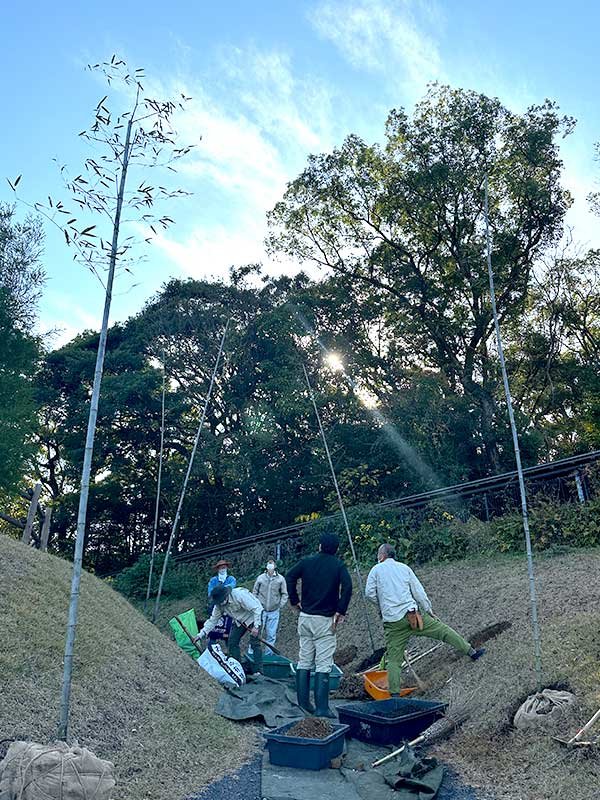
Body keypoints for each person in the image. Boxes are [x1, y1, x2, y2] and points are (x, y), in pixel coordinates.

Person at [365, 543, 485, 696]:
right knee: (443, 631)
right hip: (413, 615)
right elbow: (418, 592)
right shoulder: (404, 568)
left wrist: (382, 606)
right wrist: (429, 610)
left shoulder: (375, 570)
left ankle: (394, 695)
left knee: (394, 660)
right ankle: (472, 652)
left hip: (393, 622)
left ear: (381, 556)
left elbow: (369, 594)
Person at [286, 532, 352, 717]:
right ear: (336, 549)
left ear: (320, 546)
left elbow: (289, 576)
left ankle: (304, 703)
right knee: (323, 663)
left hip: (305, 617)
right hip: (325, 620)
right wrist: (341, 610)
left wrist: (294, 600)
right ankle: (322, 708)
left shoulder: (307, 562)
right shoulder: (338, 565)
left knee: (304, 659)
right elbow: (348, 587)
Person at [194, 584, 264, 674]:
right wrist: (201, 634)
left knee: (255, 643)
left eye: (221, 601)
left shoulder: (239, 595)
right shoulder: (219, 606)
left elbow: (257, 608)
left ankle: (259, 672)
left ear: (226, 596)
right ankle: (238, 668)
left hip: (253, 617)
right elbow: (213, 620)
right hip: (239, 621)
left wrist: (256, 626)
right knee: (232, 642)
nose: (221, 603)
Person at [253, 558, 288, 654]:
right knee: (256, 632)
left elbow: (284, 594)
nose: (270, 565)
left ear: (275, 566)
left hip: (274, 611)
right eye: (269, 563)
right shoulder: (260, 578)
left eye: (272, 563)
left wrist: (280, 605)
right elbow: (255, 592)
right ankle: (253, 653)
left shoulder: (281, 579)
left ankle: (269, 655)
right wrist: (256, 605)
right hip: (261, 610)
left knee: (271, 635)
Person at [206, 559, 236, 644]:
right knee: (214, 626)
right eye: (221, 567)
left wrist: (222, 590)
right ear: (218, 569)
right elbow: (210, 592)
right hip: (216, 605)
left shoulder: (231, 579)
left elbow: (231, 587)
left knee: (228, 628)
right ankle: (211, 645)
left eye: (224, 567)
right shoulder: (213, 580)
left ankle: (228, 647)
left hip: (228, 605)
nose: (223, 569)